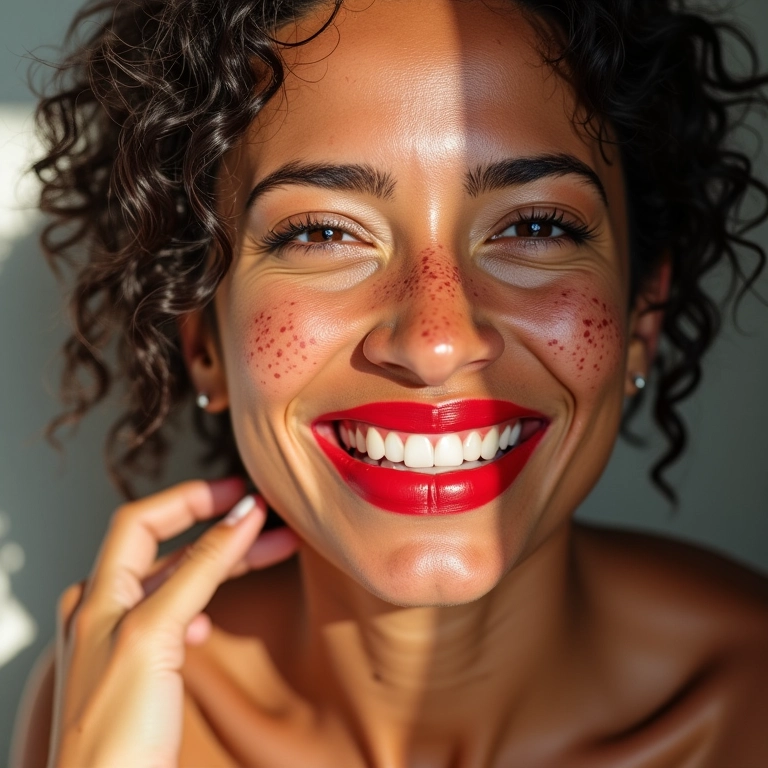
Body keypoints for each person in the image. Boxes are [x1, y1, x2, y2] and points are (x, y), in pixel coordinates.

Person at [11, 0, 768, 764]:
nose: (437, 342)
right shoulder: (104, 708)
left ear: (641, 317)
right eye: (322, 234)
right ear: (204, 338)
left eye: (535, 226)